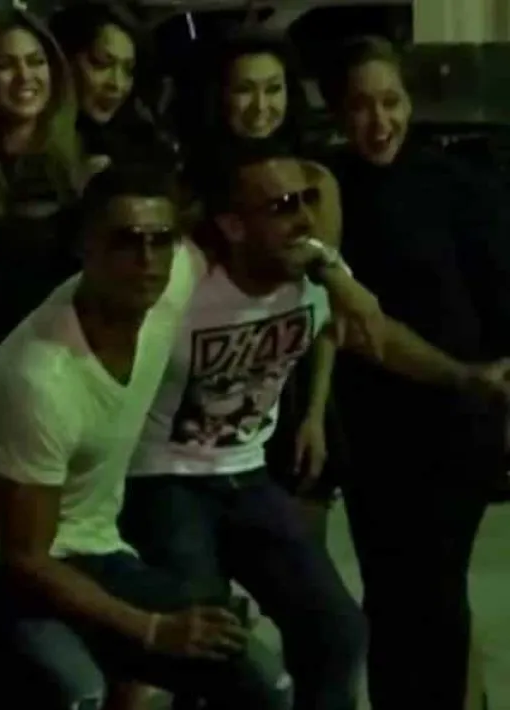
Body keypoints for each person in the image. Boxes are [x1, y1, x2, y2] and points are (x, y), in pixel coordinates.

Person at [0, 158, 398, 709]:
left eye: (161, 240)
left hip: (98, 548)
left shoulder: (169, 283)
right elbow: (27, 559)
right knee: (76, 690)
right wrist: (152, 629)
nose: (147, 259)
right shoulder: (40, 380)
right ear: (84, 247)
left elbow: (278, 237)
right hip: (1, 574)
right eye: (126, 241)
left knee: (263, 681)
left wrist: (335, 276)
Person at [121, 137, 510, 710]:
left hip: (246, 473)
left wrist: (464, 376)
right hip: (164, 476)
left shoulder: (315, 271)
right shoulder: (181, 278)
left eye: (307, 198)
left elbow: (373, 338)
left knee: (337, 630)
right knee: (210, 645)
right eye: (282, 206)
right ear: (232, 225)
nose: (305, 218)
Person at [317, 35, 510, 710]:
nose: (380, 122)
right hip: (372, 425)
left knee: (436, 589)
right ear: (338, 111)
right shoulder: (327, 190)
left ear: (409, 103)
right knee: (391, 593)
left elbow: (499, 298)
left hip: (456, 420)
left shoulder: (457, 184)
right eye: (361, 105)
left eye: (391, 102)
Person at [189, 29, 345, 542]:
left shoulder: (314, 181)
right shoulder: (190, 180)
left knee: (301, 552)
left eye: (273, 89)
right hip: (206, 392)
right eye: (245, 90)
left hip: (293, 382)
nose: (261, 107)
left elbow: (325, 310)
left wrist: (316, 413)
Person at [0, 7, 89, 374]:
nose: (25, 76)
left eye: (36, 61)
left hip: (68, 366)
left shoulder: (84, 164)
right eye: (5, 65)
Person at [49, 1, 179, 169]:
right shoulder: (36, 146)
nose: (117, 84)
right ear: (64, 60)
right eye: (101, 63)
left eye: (128, 70)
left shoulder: (144, 149)